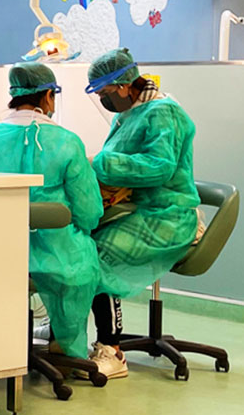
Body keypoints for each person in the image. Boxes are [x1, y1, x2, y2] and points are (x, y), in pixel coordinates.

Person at [0, 63, 103, 363]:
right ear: (49, 96)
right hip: (58, 257)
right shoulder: (67, 142)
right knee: (85, 259)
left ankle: (0, 352)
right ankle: (65, 349)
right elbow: (89, 212)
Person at [83, 48, 198, 379]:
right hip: (137, 208)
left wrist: (100, 163)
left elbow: (160, 168)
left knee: (97, 255)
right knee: (76, 244)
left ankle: (112, 349)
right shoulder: (130, 113)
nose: (103, 99)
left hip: (166, 214)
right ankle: (63, 331)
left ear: (123, 86)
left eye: (104, 92)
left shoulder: (164, 113)